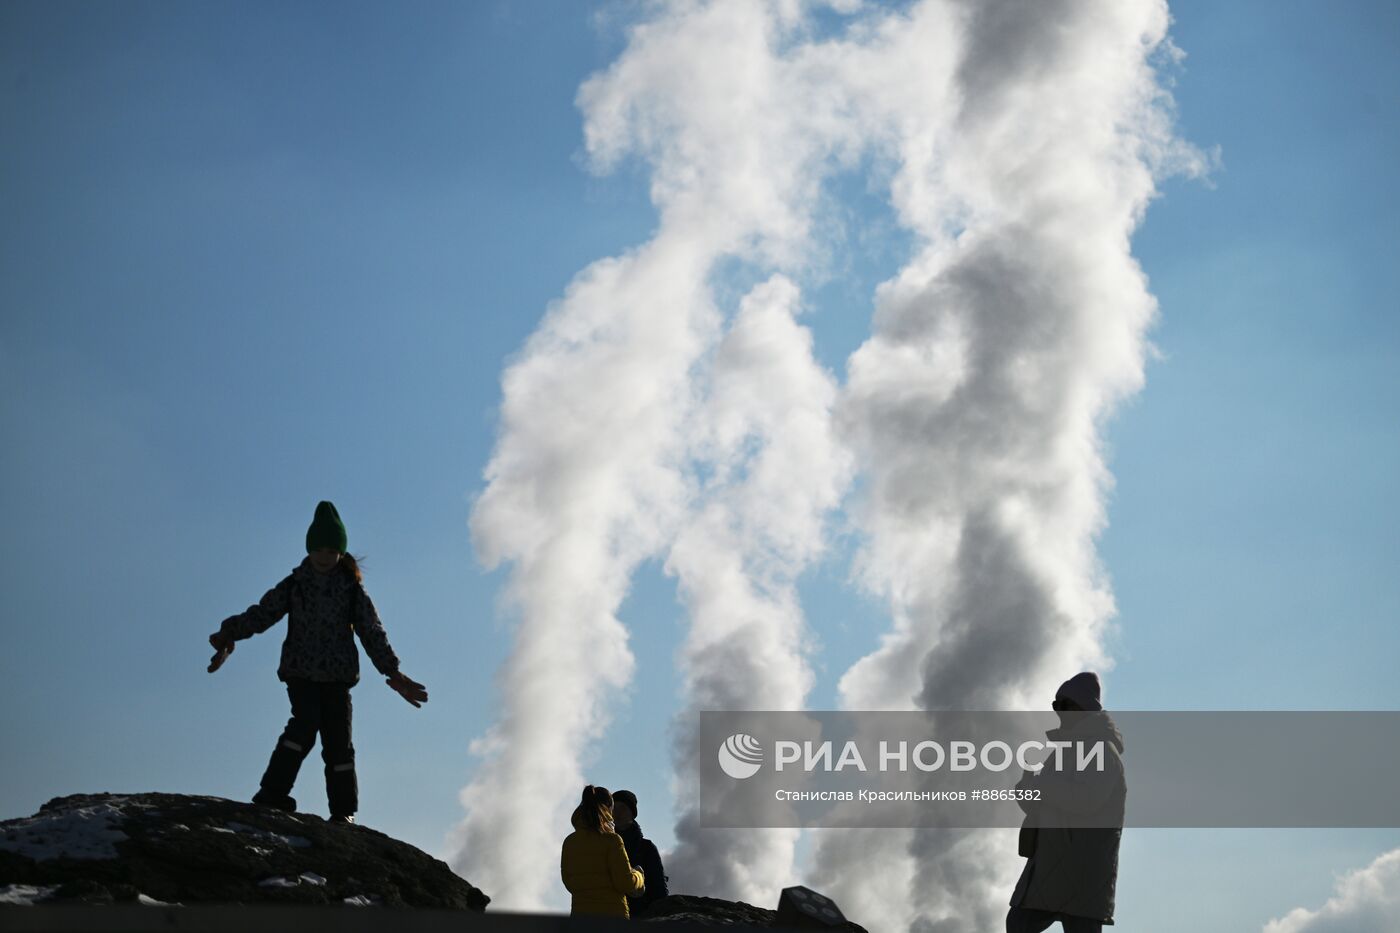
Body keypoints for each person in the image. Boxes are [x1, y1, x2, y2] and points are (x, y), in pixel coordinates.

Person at [206, 500, 428, 824]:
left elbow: (371, 631)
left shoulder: (351, 589)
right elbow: (263, 613)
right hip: (301, 673)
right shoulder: (295, 584)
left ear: (341, 552)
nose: (324, 556)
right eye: (319, 549)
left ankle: (343, 811)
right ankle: (272, 793)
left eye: (331, 550)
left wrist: (392, 671)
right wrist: (230, 634)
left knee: (339, 743)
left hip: (337, 678)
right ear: (309, 549)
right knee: (304, 726)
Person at [1007, 671, 1125, 933]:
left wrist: (1042, 785)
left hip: (1082, 867)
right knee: (1018, 924)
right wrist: (1027, 787)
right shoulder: (1064, 752)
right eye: (1056, 705)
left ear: (1083, 707)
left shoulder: (1102, 751)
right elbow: (1043, 806)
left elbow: (1087, 800)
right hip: (1050, 863)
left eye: (1065, 704)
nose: (1059, 711)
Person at [560, 785, 645, 917]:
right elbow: (625, 883)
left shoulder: (570, 842)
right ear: (608, 809)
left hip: (580, 919)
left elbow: (569, 883)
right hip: (612, 919)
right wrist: (639, 875)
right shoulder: (612, 840)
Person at [611, 789, 668, 912]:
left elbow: (659, 889)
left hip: (641, 917)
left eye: (623, 808)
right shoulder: (605, 845)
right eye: (614, 808)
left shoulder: (646, 848)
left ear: (632, 814)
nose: (617, 812)